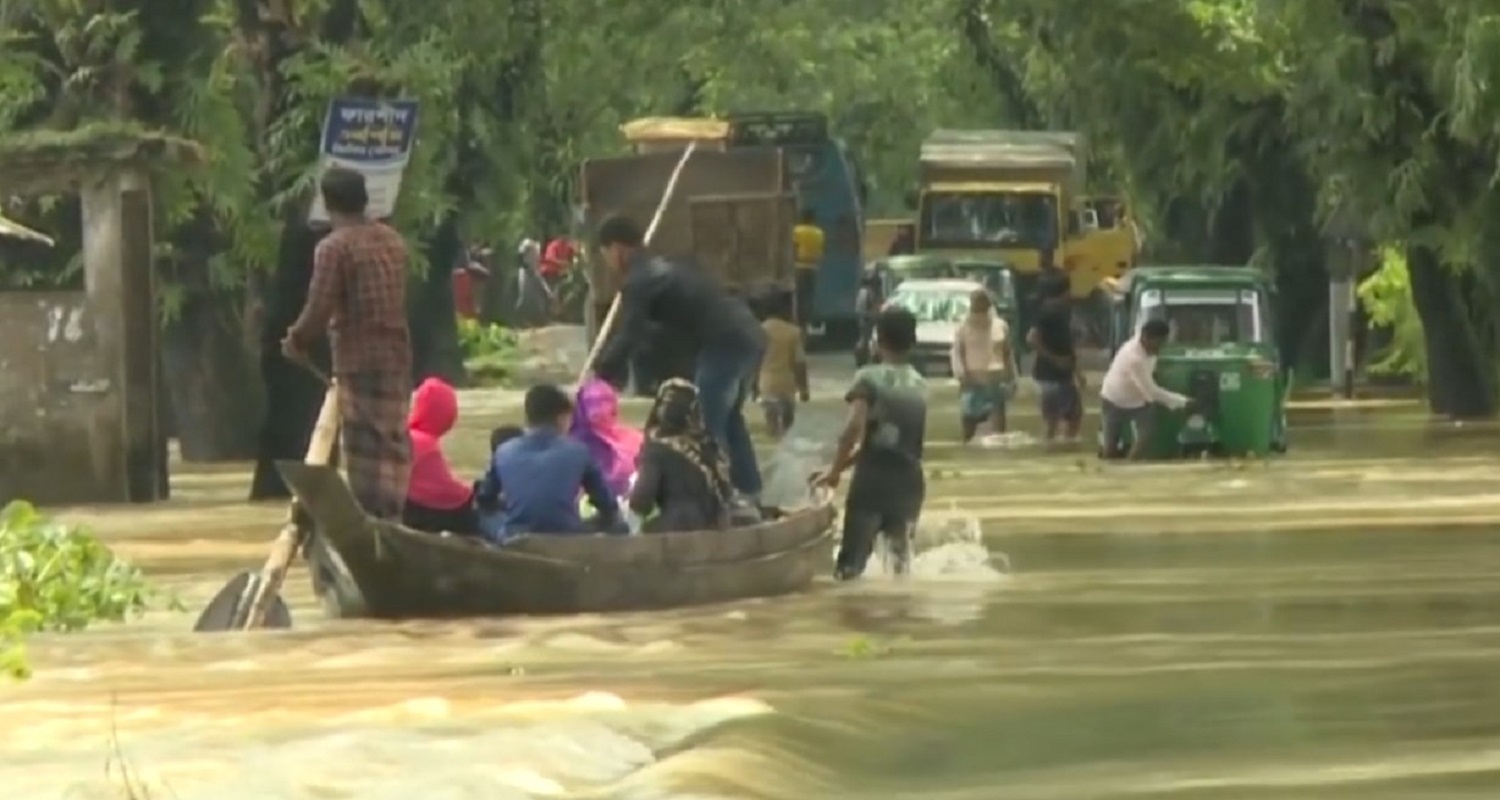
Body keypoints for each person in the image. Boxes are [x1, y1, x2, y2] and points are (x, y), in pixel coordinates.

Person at [592, 213, 767, 504]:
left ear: (617, 249)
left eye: (606, 255)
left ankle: (720, 500)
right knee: (730, 420)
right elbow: (661, 335)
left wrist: (601, 374)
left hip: (724, 343)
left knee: (707, 428)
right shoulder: (669, 267)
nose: (609, 263)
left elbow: (630, 334)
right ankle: (750, 491)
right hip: (749, 335)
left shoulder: (641, 279)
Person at [283, 167, 411, 520]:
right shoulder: (392, 241)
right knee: (393, 438)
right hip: (397, 355)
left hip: (358, 359)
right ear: (364, 199)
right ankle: (394, 516)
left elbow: (319, 306)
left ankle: (373, 520)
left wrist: (297, 339)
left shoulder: (334, 247)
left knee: (365, 445)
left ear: (327, 203)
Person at [815, 307, 927, 580]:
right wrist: (843, 464)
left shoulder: (868, 377)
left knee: (849, 568)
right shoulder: (920, 382)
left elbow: (854, 428)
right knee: (899, 567)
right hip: (910, 482)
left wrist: (834, 471)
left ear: (877, 340)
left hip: (873, 481)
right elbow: (889, 440)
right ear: (913, 341)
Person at [475, 384, 622, 539]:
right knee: (619, 525)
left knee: (484, 516)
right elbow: (607, 504)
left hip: (515, 536)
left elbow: (484, 500)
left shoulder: (503, 451)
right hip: (567, 536)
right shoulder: (579, 451)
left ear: (528, 417)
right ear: (561, 418)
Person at [630, 379, 735, 533]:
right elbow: (726, 492)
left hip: (676, 530)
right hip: (716, 526)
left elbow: (640, 502)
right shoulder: (708, 444)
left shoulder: (657, 448)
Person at [1099, 319, 1190, 460]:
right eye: (1158, 342)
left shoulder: (1150, 348)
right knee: (1110, 447)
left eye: (1163, 342)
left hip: (1139, 400)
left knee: (1147, 435)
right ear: (1145, 338)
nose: (1160, 347)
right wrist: (1183, 402)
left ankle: (1130, 466)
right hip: (1113, 399)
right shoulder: (1134, 357)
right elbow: (1152, 391)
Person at [402, 377, 479, 535]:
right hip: (420, 514)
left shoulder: (407, 436)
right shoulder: (425, 445)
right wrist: (472, 492)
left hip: (409, 509)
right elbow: (446, 494)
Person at [951, 288, 1014, 443]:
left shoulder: (1000, 326)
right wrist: (960, 374)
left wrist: (1013, 379)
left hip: (996, 383)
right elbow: (957, 352)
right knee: (968, 430)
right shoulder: (962, 327)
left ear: (988, 305)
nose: (978, 307)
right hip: (972, 383)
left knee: (998, 434)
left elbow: (1008, 353)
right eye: (975, 303)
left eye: (982, 303)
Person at [1026, 279, 1082, 444]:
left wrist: (1077, 371)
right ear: (1064, 292)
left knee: (1070, 415)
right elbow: (1031, 338)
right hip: (1050, 375)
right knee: (1057, 419)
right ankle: (1054, 449)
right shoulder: (1049, 312)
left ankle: (1060, 449)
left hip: (1061, 375)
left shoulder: (1062, 312)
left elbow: (1067, 346)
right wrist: (1055, 360)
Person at [570, 377, 643, 496]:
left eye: (605, 401)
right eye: (592, 402)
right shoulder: (574, 444)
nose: (598, 410)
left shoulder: (634, 438)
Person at [755, 293, 809, 438]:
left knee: (771, 429)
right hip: (787, 387)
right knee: (788, 428)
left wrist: (753, 388)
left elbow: (754, 362)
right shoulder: (793, 332)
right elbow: (799, 362)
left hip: (765, 385)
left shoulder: (758, 330)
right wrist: (804, 388)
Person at [475, 425, 523, 540]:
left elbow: (484, 497)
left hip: (516, 530)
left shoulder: (499, 462)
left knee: (481, 512)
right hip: (554, 525)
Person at [792, 210, 825, 329]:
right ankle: (806, 322)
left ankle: (798, 321)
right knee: (809, 296)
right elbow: (821, 251)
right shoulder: (819, 233)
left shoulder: (797, 231)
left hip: (799, 266)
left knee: (798, 297)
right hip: (813, 268)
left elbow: (794, 247)